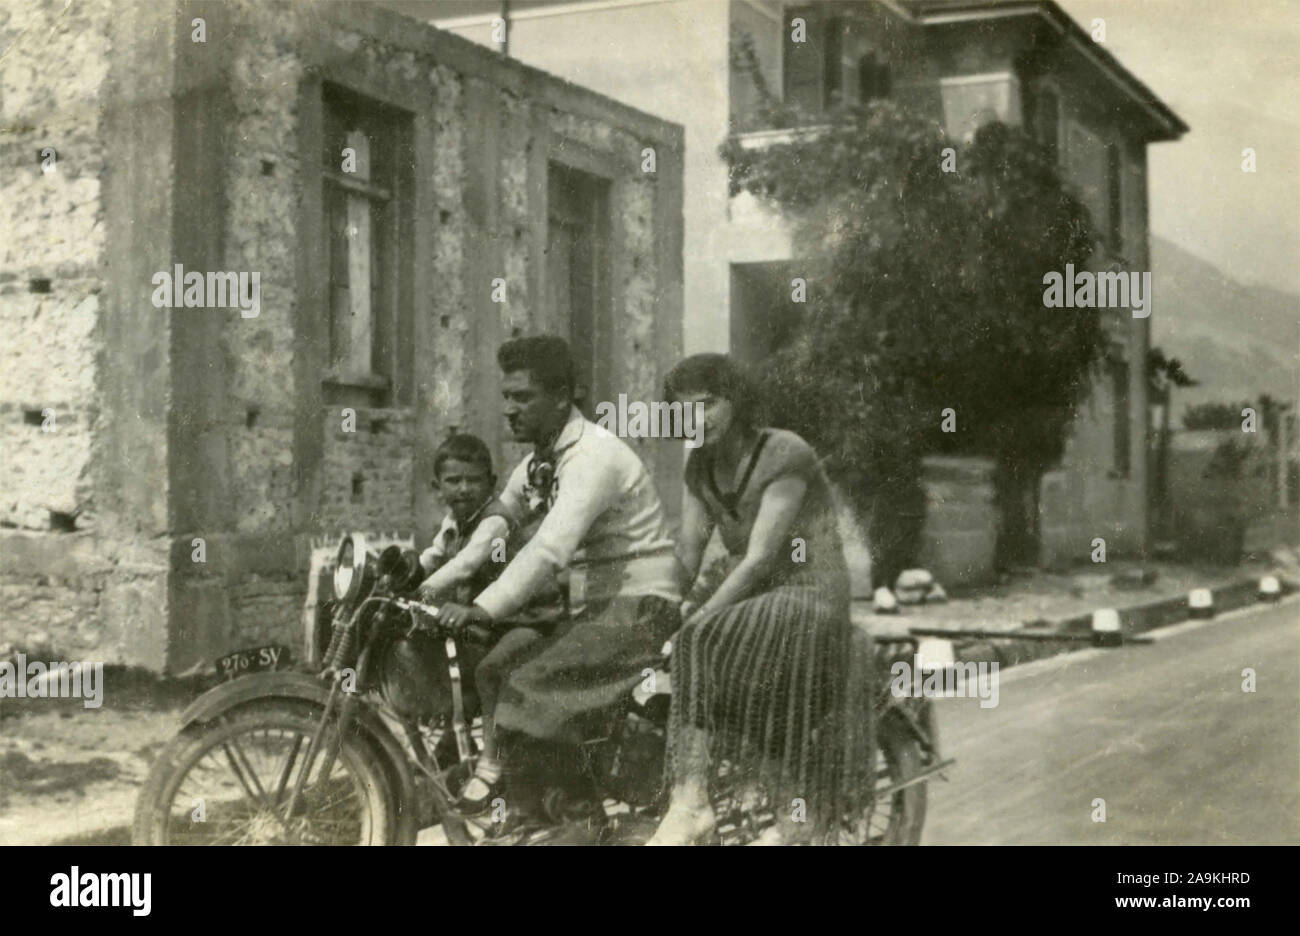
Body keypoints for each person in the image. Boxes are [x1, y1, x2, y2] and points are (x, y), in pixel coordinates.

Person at [436, 336, 683, 813]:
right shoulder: (540, 460)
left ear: (562, 396)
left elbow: (550, 548)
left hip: (641, 607)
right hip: (597, 609)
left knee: (531, 687)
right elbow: (497, 521)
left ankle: (575, 818)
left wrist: (480, 608)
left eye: (523, 397)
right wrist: (431, 579)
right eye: (506, 396)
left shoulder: (592, 456)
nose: (510, 408)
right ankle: (529, 800)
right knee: (496, 668)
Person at [646, 353, 872, 846]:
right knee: (671, 653)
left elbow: (760, 559)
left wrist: (695, 619)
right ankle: (793, 818)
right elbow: (687, 554)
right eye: (684, 410)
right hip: (756, 601)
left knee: (697, 641)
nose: (696, 420)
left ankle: (690, 804)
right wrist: (657, 608)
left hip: (809, 594)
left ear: (737, 403)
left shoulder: (784, 452)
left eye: (708, 405)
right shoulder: (699, 469)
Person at [414, 433, 564, 769]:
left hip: (529, 618)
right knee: (453, 667)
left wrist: (421, 590)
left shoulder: (494, 520)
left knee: (488, 670)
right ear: (438, 485)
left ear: (491, 483)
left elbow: (466, 563)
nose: (464, 489)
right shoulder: (454, 521)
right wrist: (407, 573)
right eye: (453, 481)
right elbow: (434, 555)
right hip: (490, 621)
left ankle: (491, 758)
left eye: (473, 480)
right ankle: (454, 745)